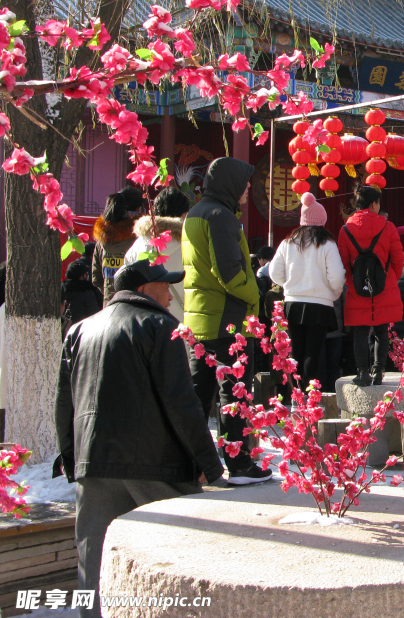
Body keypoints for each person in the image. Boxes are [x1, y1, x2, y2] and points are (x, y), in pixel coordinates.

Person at [55, 260, 222, 618]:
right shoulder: (161, 326)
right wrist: (210, 464)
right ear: (145, 290)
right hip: (155, 464)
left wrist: (72, 459)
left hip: (93, 462)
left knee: (94, 560)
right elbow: (182, 402)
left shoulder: (80, 330)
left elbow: (64, 404)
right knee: (180, 555)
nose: (170, 295)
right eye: (165, 286)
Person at [181, 156, 270, 484]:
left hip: (200, 321)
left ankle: (193, 464)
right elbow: (231, 274)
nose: (248, 187)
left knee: (199, 397)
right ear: (231, 183)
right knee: (234, 394)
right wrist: (256, 293)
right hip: (227, 321)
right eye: (245, 181)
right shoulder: (221, 218)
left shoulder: (196, 214)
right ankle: (240, 463)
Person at [269, 194, 346, 391]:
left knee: (296, 350)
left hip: (293, 302)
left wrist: (290, 286)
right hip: (320, 305)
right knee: (314, 351)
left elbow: (274, 273)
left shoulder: (288, 242)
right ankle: (309, 393)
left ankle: (295, 393)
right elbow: (337, 277)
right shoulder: (327, 244)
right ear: (322, 220)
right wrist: (333, 293)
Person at [337, 186, 404, 386]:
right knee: (382, 331)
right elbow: (398, 260)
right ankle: (379, 371)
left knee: (360, 331)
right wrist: (388, 279)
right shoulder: (388, 227)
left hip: (358, 288)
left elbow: (344, 263)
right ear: (374, 204)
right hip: (383, 287)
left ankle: (362, 372)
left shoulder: (346, 229)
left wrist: (354, 283)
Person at [124, 186, 192, 321]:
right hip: (181, 319)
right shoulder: (189, 244)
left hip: (143, 317)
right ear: (184, 215)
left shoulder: (137, 245)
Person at [91, 187, 146, 305]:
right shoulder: (141, 238)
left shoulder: (102, 239)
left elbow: (96, 279)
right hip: (135, 306)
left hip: (109, 306)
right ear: (139, 209)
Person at [61, 259, 104, 335]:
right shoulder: (88, 291)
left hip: (66, 329)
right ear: (82, 275)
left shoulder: (63, 289)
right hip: (84, 330)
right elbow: (94, 313)